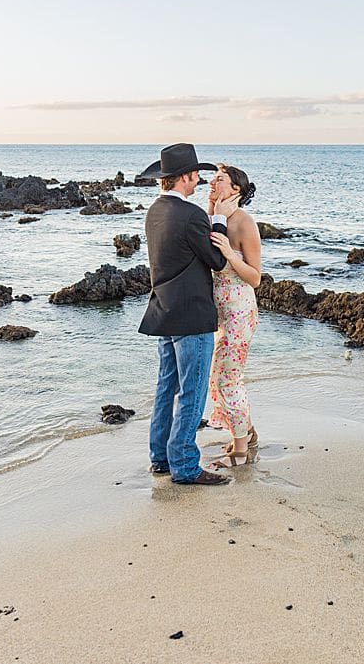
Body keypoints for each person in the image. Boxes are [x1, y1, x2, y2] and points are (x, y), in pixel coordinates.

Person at [138, 144, 240, 486]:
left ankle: (160, 458)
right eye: (196, 174)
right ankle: (184, 466)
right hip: (192, 315)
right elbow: (216, 260)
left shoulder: (155, 211)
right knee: (192, 392)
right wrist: (220, 220)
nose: (199, 179)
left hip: (163, 310)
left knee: (167, 388)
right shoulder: (191, 215)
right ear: (185, 177)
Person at [204, 164, 261, 467]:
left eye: (220, 179)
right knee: (217, 378)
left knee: (229, 380)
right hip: (219, 314)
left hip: (239, 311)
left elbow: (255, 277)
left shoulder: (243, 223)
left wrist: (228, 252)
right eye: (212, 178)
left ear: (236, 190)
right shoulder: (214, 218)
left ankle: (241, 451)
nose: (212, 182)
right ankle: (246, 433)